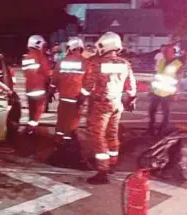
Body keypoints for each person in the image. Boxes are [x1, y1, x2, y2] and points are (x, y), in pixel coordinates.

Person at [77, 32, 137, 184]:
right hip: (116, 104)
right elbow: (131, 86)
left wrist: (80, 98)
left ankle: (102, 171)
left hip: (100, 104)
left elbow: (88, 85)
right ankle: (112, 163)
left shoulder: (98, 64)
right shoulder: (125, 64)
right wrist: (131, 98)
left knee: (98, 136)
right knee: (112, 134)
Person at [54, 37, 85, 142]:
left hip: (63, 97)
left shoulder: (61, 61)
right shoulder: (85, 62)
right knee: (72, 121)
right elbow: (89, 80)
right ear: (80, 48)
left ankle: (58, 139)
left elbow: (55, 78)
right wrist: (84, 94)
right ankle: (68, 141)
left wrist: (52, 90)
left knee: (61, 119)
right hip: (76, 98)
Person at [148, 44, 184, 136]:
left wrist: (177, 93)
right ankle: (151, 128)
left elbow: (179, 79)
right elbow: (157, 75)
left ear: (172, 53)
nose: (164, 53)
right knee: (152, 111)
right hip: (157, 91)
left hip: (168, 93)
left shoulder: (178, 64)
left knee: (166, 113)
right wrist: (151, 88)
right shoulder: (162, 61)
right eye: (164, 51)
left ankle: (163, 130)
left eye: (166, 51)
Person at [22, 35, 52, 134]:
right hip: (39, 88)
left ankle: (30, 125)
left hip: (29, 88)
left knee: (32, 109)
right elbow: (46, 72)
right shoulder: (40, 57)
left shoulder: (26, 57)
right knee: (38, 110)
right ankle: (32, 128)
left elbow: (26, 73)